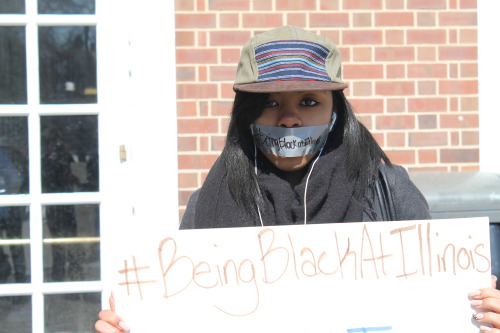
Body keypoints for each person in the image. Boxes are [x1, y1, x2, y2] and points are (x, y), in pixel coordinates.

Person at [96, 25, 500, 333]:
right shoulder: (207, 204)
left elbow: (433, 310)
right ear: (246, 114)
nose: (289, 118)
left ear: (336, 111)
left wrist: (484, 315)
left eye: (309, 101)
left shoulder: (386, 190)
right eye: (269, 102)